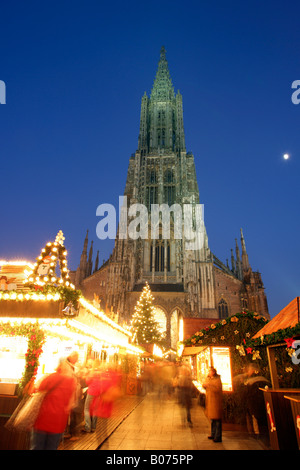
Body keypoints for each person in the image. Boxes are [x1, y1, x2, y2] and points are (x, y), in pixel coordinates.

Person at [30, 361, 77, 450]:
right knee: (52, 447)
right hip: (58, 423)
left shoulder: (49, 377)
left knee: (36, 447)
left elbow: (35, 391)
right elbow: (72, 403)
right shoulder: (71, 382)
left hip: (42, 420)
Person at [203, 367, 223, 443]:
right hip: (210, 401)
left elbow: (218, 389)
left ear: (213, 372)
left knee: (217, 420)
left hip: (215, 401)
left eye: (209, 371)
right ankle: (213, 434)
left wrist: (209, 385)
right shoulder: (208, 378)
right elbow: (204, 385)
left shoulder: (217, 380)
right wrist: (205, 385)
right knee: (212, 420)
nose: (208, 372)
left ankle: (218, 437)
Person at [177, 363, 194, 427]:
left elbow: (179, 385)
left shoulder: (181, 377)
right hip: (188, 394)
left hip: (183, 394)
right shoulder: (190, 378)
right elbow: (191, 386)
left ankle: (184, 421)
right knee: (187, 408)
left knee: (183, 408)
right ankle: (189, 421)